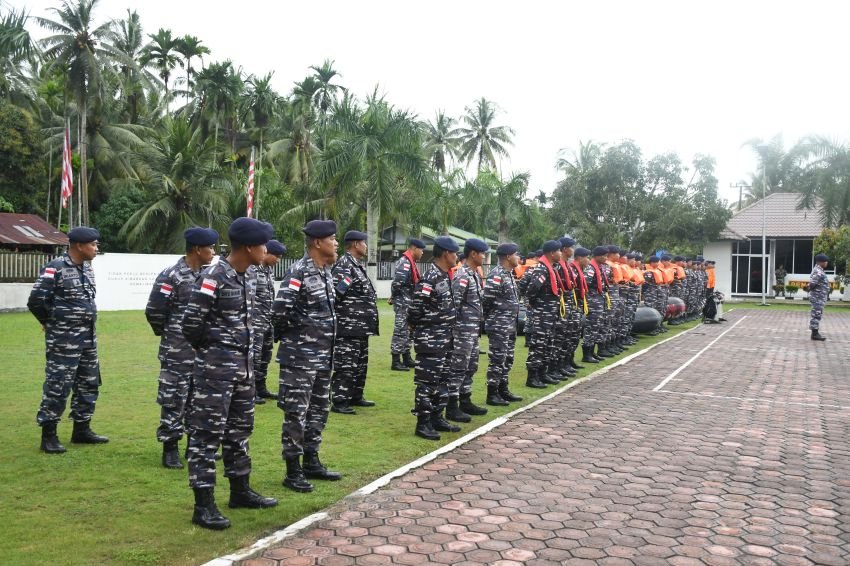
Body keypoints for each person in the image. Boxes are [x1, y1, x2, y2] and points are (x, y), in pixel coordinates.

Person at [181, 217, 277, 530]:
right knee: (207, 436)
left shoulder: (247, 275)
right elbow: (191, 324)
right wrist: (214, 354)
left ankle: (240, 490)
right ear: (249, 247)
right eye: (262, 244)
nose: (266, 249)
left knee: (239, 433)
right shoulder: (214, 276)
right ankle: (204, 503)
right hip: (216, 374)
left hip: (244, 372)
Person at [274, 220, 342, 492]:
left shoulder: (326, 271)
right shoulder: (298, 272)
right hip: (300, 359)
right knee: (296, 413)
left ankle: (312, 460)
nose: (336, 243)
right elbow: (280, 313)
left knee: (319, 409)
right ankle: (292, 470)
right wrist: (298, 341)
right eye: (332, 239)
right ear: (317, 242)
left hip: (324, 356)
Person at [28, 226, 108, 454]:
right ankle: (49, 434)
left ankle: (81, 429)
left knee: (89, 383)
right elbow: (36, 300)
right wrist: (49, 321)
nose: (96, 248)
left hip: (88, 339)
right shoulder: (55, 268)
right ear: (79, 246)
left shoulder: (88, 268)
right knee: (58, 385)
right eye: (93, 244)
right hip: (64, 340)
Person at [145, 226, 218, 469]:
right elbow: (155, 311)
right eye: (210, 247)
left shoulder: (209, 275)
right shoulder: (171, 275)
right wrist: (170, 334)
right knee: (174, 398)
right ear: (197, 249)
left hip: (203, 350)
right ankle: (170, 447)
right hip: (177, 350)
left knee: (199, 401)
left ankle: (194, 447)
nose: (214, 252)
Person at [407, 235, 460, 440]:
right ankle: (423, 423)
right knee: (427, 382)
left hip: (445, 338)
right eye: (454, 253)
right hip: (431, 340)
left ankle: (437, 417)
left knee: (443, 380)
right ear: (446, 254)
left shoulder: (446, 275)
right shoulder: (430, 278)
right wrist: (424, 329)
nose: (456, 257)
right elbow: (415, 309)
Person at [330, 230, 379, 415]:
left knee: (359, 364)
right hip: (348, 327)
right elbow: (336, 294)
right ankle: (340, 401)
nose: (366, 246)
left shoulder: (356, 265)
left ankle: (355, 396)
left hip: (360, 327)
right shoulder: (344, 265)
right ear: (356, 244)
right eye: (364, 243)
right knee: (346, 365)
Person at [446, 238, 490, 420]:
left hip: (472, 331)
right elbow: (454, 304)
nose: (484, 257)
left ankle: (465, 400)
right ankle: (451, 405)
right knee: (458, 367)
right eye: (482, 254)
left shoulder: (473, 274)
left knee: (470, 366)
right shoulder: (463, 275)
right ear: (473, 254)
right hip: (462, 331)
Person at [482, 243, 523, 405]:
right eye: (516, 254)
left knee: (508, 358)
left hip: (509, 324)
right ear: (508, 256)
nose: (518, 257)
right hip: (499, 324)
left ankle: (503, 389)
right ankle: (492, 393)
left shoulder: (509, 274)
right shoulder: (497, 275)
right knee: (498, 359)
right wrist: (493, 318)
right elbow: (487, 300)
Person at [251, 238, 286, 405]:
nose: (278, 260)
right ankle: (251, 391)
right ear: (267, 253)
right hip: (255, 322)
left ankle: (261, 388)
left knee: (265, 356)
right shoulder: (252, 270)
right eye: (276, 256)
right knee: (254, 358)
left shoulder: (268, 271)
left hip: (267, 321)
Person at [524, 240, 564, 387]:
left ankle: (542, 373)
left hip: (551, 313)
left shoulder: (552, 268)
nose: (561, 253)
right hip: (542, 313)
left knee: (548, 344)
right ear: (552, 253)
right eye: (559, 251)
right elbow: (532, 288)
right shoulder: (542, 268)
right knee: (538, 345)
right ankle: (532, 377)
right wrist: (534, 303)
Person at [390, 239, 426, 371]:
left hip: (409, 303)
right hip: (403, 303)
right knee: (400, 330)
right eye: (421, 250)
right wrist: (394, 297)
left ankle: (406, 357)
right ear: (414, 248)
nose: (422, 253)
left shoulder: (412, 263)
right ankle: (395, 360)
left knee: (409, 331)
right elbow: (397, 284)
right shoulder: (405, 263)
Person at [809, 253, 830, 341]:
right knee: (816, 315)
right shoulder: (818, 271)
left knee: (817, 314)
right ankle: (815, 334)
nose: (827, 263)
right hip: (817, 297)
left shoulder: (819, 270)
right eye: (826, 261)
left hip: (819, 297)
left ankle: (815, 332)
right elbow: (812, 283)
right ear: (821, 262)